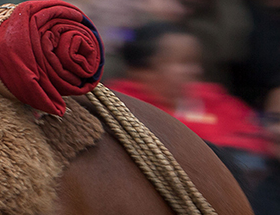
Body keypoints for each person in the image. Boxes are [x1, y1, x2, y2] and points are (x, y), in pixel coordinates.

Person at [110, 22, 268, 164]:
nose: (196, 71)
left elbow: (256, 138)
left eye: (196, 62)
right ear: (143, 71)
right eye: (184, 62)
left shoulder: (215, 99)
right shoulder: (119, 107)